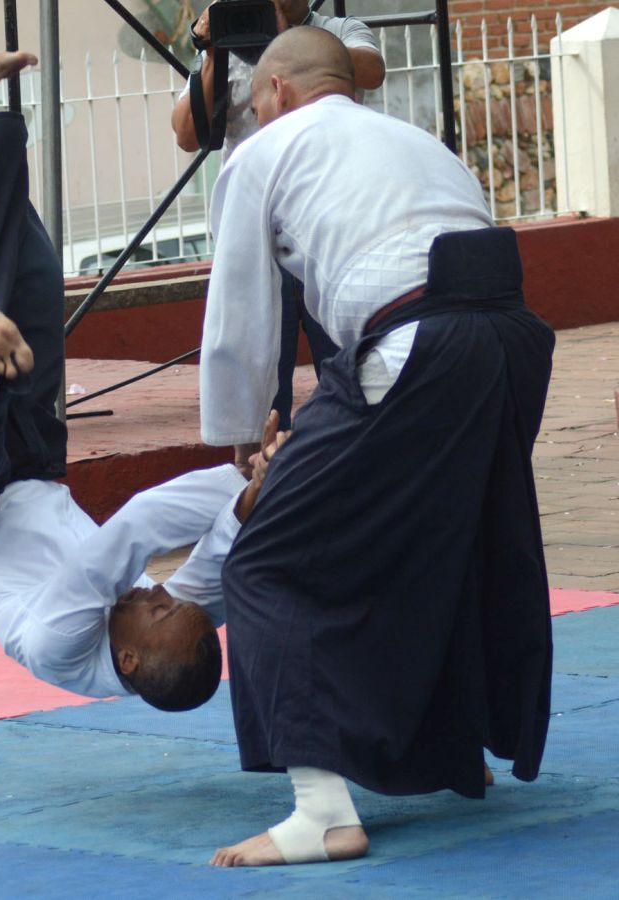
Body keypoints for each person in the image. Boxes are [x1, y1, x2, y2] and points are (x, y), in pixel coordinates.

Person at [200, 28, 554, 866]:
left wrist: (244, 442)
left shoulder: (264, 151)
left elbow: (241, 318)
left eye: (253, 103)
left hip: (415, 345)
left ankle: (322, 812)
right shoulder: (413, 138)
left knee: (266, 563)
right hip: (509, 345)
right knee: (435, 533)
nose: (252, 117)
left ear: (278, 91)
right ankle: (449, 748)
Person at [0, 52, 287, 712]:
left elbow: (138, 526)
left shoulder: (58, 643)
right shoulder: (171, 633)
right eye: (170, 601)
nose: (159, 593)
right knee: (35, 272)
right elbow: (222, 555)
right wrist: (259, 490)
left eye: (157, 610)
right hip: (32, 468)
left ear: (126, 660)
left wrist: (241, 480)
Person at [171, 0, 386, 472]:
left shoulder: (337, 30)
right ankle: (259, 488)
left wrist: (286, 38)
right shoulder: (231, 42)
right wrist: (212, 51)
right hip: (256, 244)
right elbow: (188, 133)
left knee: (351, 368)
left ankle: (363, 474)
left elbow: (371, 71)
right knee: (261, 385)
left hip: (328, 236)